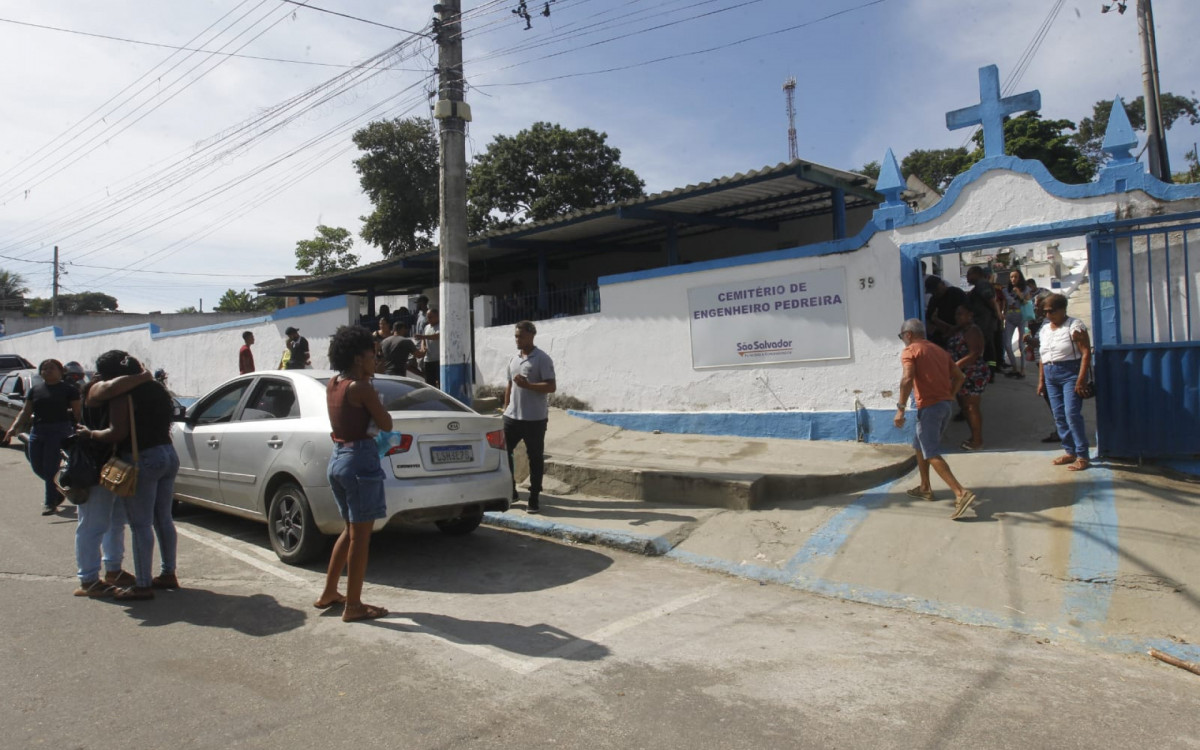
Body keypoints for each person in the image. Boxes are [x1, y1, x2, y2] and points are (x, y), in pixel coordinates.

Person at [81, 351, 181, 600]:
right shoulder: (157, 388)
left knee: (140, 525)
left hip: (142, 458)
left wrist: (90, 434)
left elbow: (117, 433)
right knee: (164, 520)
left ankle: (143, 585)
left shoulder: (121, 393)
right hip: (168, 453)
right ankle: (168, 573)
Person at [314, 326, 391, 623]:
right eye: (373, 355)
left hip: (338, 459)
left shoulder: (334, 383)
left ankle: (330, 593)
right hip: (360, 461)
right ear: (359, 358)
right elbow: (385, 423)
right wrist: (373, 390)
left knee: (349, 529)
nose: (375, 360)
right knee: (361, 537)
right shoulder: (361, 388)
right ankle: (354, 605)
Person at [894, 319, 977, 519]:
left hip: (930, 408)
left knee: (930, 451)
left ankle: (960, 492)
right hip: (944, 406)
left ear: (908, 335)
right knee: (918, 445)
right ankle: (925, 487)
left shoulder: (911, 351)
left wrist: (901, 409)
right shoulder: (940, 351)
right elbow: (960, 377)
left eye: (902, 337)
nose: (903, 341)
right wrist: (949, 395)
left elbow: (907, 379)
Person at [72, 377, 136, 597]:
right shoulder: (96, 393)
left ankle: (113, 569)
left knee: (115, 521)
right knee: (92, 524)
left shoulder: (100, 395)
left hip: (110, 467)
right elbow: (114, 432)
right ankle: (89, 579)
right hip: (94, 468)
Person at [3, 359, 81, 515]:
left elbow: (78, 412)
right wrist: (13, 429)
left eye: (52, 368)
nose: (47, 371)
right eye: (44, 368)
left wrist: (80, 428)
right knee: (37, 465)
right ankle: (57, 488)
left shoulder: (68, 389)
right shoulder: (35, 390)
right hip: (38, 431)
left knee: (50, 467)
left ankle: (50, 502)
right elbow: (25, 412)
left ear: (61, 371)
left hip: (59, 430)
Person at [503, 320, 556, 514]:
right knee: (502, 452)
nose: (517, 339)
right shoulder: (513, 359)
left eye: (521, 336)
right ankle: (511, 489)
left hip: (534, 419)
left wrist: (529, 386)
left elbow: (551, 386)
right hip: (512, 418)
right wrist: (505, 407)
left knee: (535, 458)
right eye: (516, 336)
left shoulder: (542, 359)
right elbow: (509, 385)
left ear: (531, 336)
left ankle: (534, 498)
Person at [1036, 293, 1092, 471]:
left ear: (1062, 310)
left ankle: (1082, 454)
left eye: (1052, 311)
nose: (1048, 315)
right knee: (1059, 415)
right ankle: (1070, 451)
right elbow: (1043, 357)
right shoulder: (1045, 329)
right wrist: (1041, 381)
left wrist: (1081, 380)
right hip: (1051, 374)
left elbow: (1085, 353)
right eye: (1045, 311)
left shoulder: (1075, 326)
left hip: (1070, 373)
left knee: (1071, 414)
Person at [948, 305, 989, 451]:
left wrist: (954, 367)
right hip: (961, 373)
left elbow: (975, 353)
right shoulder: (960, 329)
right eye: (956, 315)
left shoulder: (973, 330)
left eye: (961, 314)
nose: (957, 317)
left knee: (971, 407)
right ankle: (973, 436)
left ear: (970, 315)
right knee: (964, 407)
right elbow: (947, 329)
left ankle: (978, 440)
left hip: (973, 372)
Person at [965, 266, 1001, 374]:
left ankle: (990, 371)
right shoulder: (979, 286)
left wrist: (998, 314)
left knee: (986, 347)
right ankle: (990, 370)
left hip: (985, 322)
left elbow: (991, 300)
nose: (967, 278)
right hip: (983, 322)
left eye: (969, 275)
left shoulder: (982, 284)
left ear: (976, 274)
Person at [924, 276, 968, 349]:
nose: (935, 293)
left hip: (960, 336)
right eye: (932, 291)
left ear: (943, 284)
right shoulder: (933, 300)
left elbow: (966, 316)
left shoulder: (956, 293)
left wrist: (953, 330)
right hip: (941, 338)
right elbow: (929, 320)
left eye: (936, 289)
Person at [1002, 270, 1030, 379]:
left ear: (1020, 278)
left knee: (1021, 344)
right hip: (1010, 317)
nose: (1013, 279)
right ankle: (1014, 367)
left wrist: (1019, 294)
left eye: (1016, 277)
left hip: (1022, 318)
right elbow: (1004, 304)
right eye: (1011, 277)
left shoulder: (1025, 289)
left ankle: (1022, 369)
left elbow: (1027, 303)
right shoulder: (1006, 290)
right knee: (1007, 344)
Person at [418, 308, 441, 389]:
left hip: (438, 360)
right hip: (428, 359)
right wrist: (423, 347)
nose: (429, 319)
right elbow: (423, 340)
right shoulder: (426, 327)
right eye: (428, 317)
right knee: (429, 383)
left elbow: (437, 336)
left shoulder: (440, 325)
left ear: (437, 316)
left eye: (431, 317)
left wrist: (423, 336)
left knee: (440, 382)